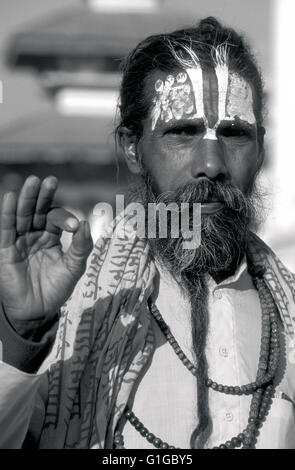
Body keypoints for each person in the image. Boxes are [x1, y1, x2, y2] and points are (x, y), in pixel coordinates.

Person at [0, 16, 294, 450]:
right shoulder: (73, 306)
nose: (211, 164)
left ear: (262, 148)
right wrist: (23, 336)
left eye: (234, 134)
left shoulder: (286, 314)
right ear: (133, 149)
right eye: (182, 132)